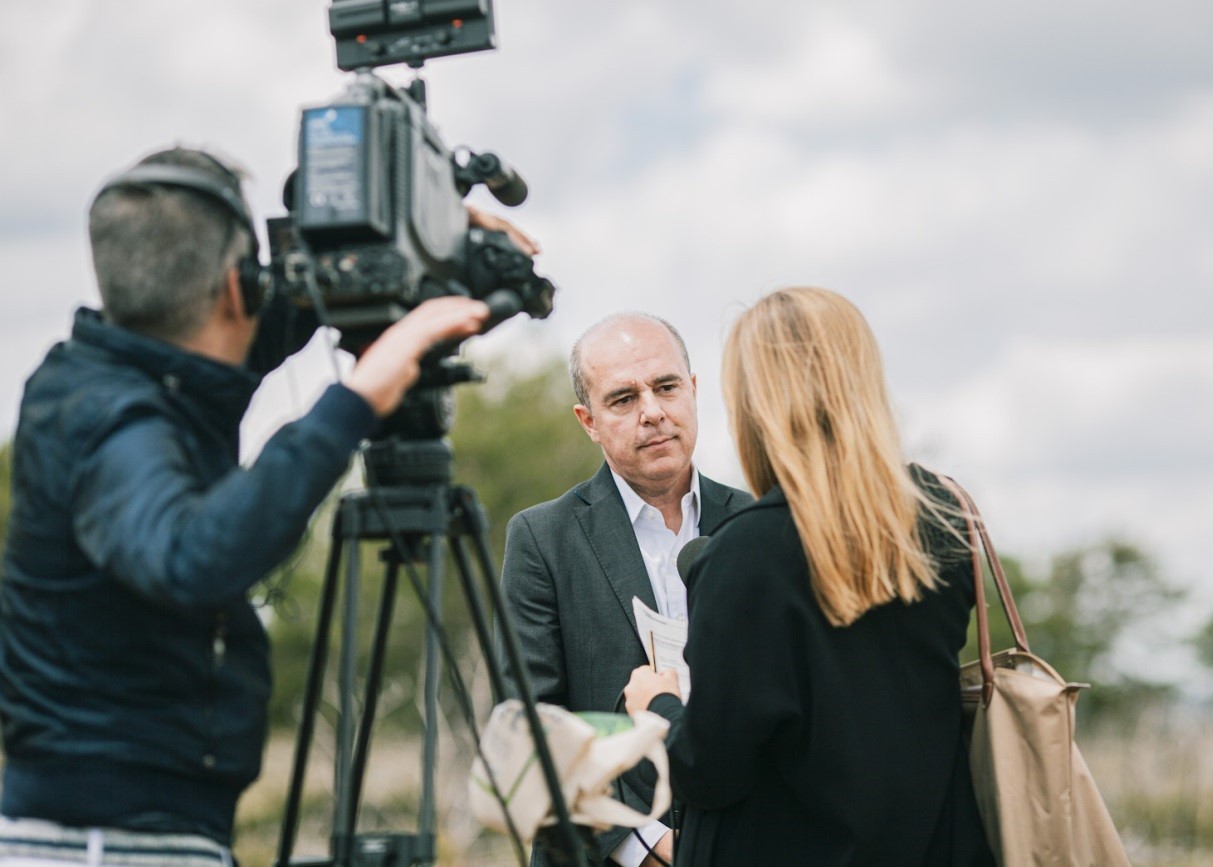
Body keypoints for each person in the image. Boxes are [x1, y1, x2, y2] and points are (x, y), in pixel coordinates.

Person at [0, 146, 530, 866]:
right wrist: (356, 400)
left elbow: (265, 317)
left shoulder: (134, 371)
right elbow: (195, 555)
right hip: (109, 842)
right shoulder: (111, 419)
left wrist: (414, 235)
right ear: (233, 284)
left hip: (132, 828)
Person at [623, 287, 996, 866]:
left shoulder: (743, 556)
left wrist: (658, 707)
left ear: (756, 403)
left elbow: (709, 771)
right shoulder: (943, 520)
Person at [498, 313, 752, 866]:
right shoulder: (543, 539)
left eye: (665, 387)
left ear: (693, 390)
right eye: (623, 399)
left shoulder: (757, 524)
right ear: (588, 421)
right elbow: (533, 728)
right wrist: (651, 845)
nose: (653, 412)